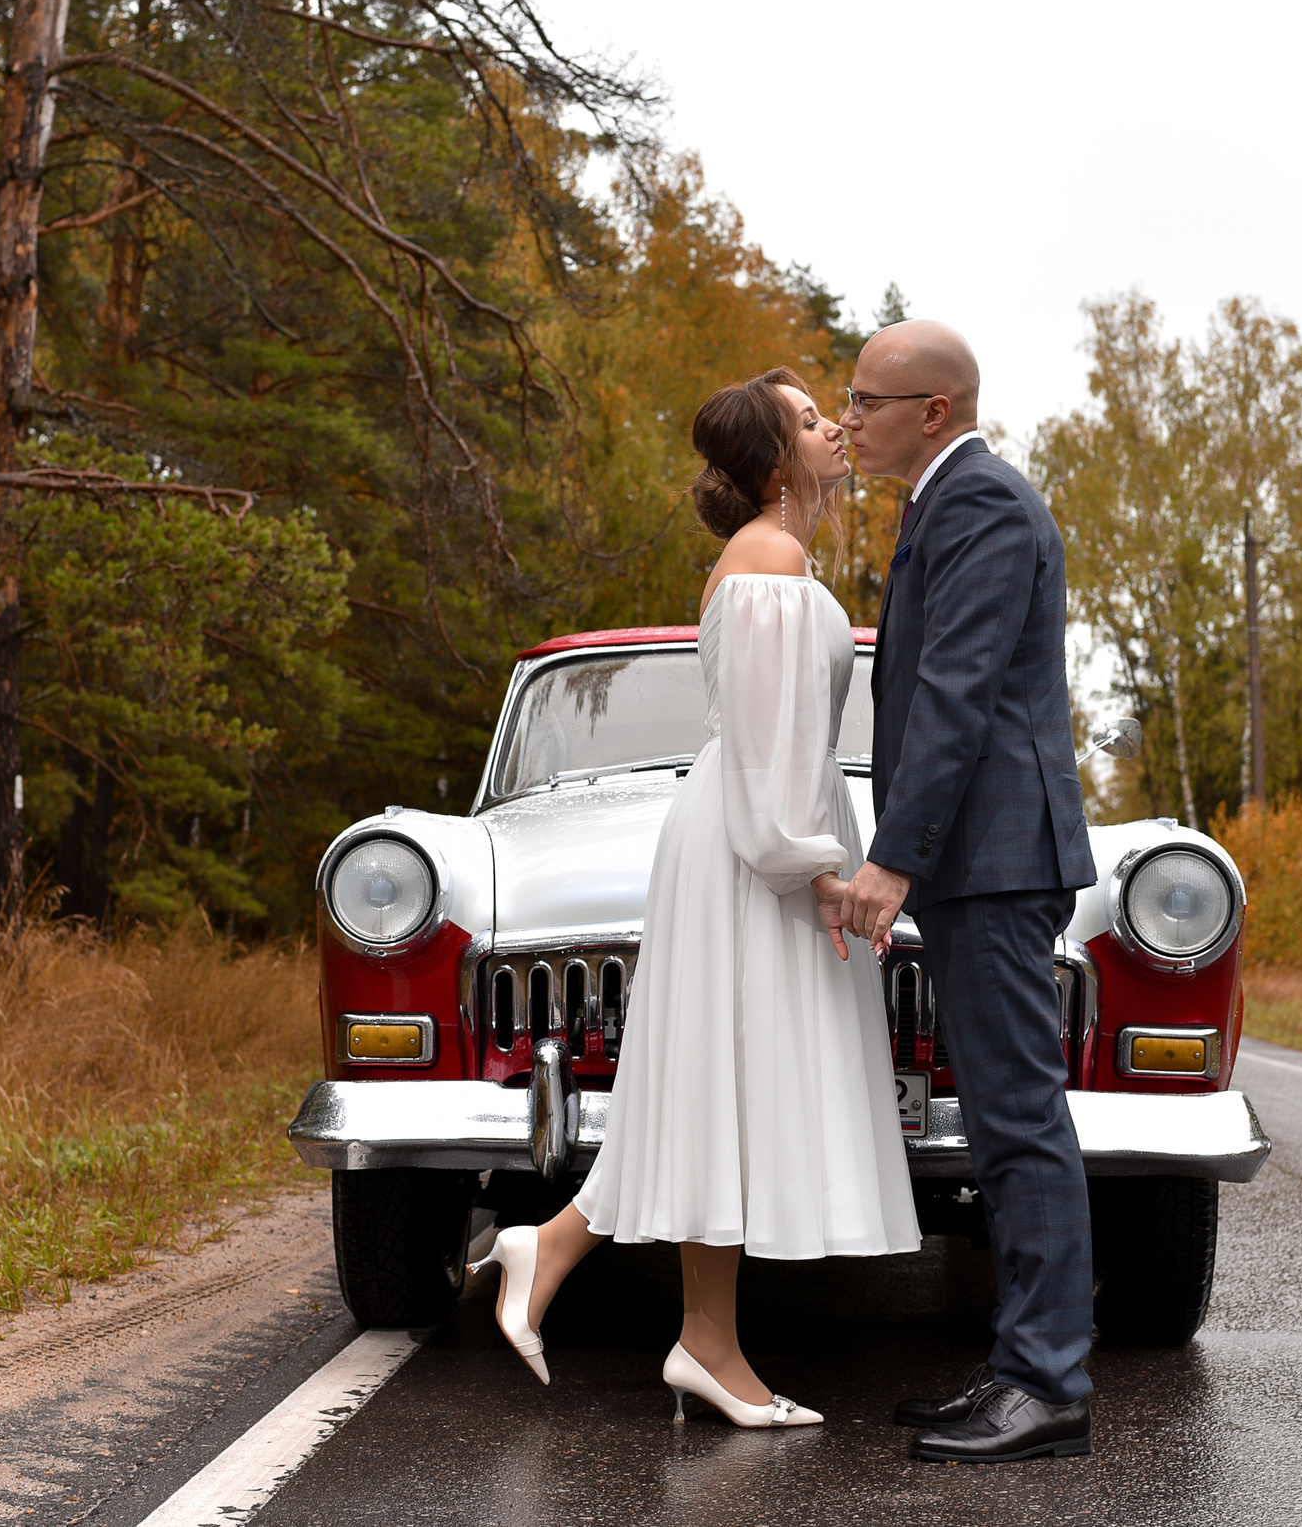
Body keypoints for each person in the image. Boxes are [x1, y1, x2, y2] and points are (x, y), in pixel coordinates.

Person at [469, 366, 920, 1428]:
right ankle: (680, 1325)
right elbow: (767, 747)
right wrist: (811, 868)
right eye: (810, 420)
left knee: (722, 1082)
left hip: (754, 837)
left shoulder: (776, 555)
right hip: (754, 844)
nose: (835, 428)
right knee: (726, 1077)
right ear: (773, 462)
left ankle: (652, 1306)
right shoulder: (770, 561)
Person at [839, 319, 1099, 1463]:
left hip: (994, 858)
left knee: (1018, 1118)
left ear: (931, 409)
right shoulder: (941, 501)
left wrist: (894, 852)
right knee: (1000, 1120)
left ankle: (1045, 1384)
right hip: (978, 860)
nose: (849, 418)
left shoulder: (982, 502)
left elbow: (955, 688)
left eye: (865, 400)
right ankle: (1019, 1365)